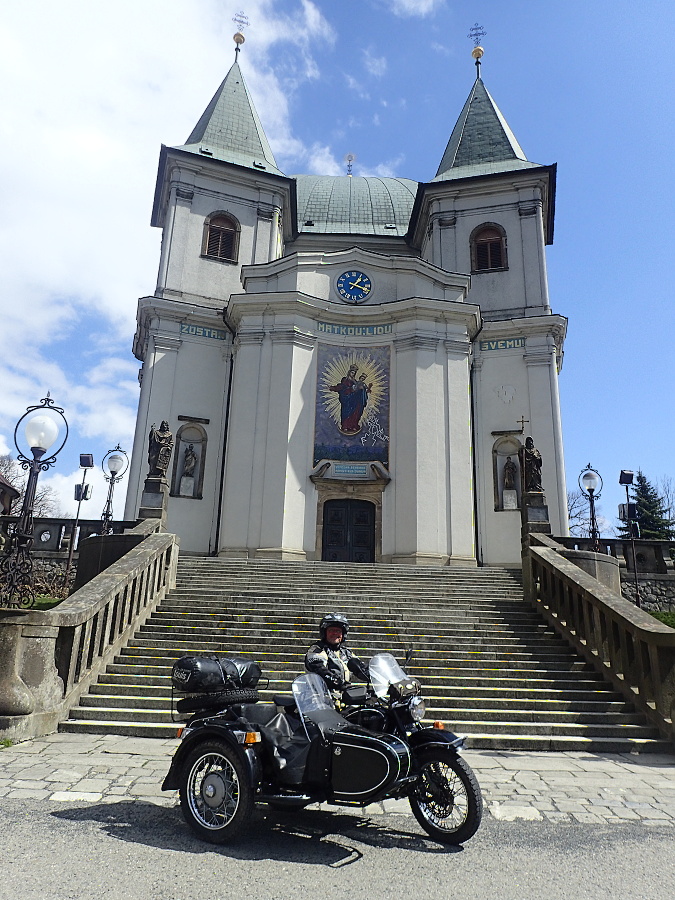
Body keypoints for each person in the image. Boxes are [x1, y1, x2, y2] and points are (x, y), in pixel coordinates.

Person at [305, 612, 369, 692]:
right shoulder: (317, 649)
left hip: (343, 697)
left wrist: (377, 676)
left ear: (343, 634)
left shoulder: (346, 653)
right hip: (319, 697)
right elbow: (319, 669)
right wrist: (337, 682)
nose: (335, 633)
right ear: (324, 632)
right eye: (331, 630)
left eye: (338, 631)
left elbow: (361, 668)